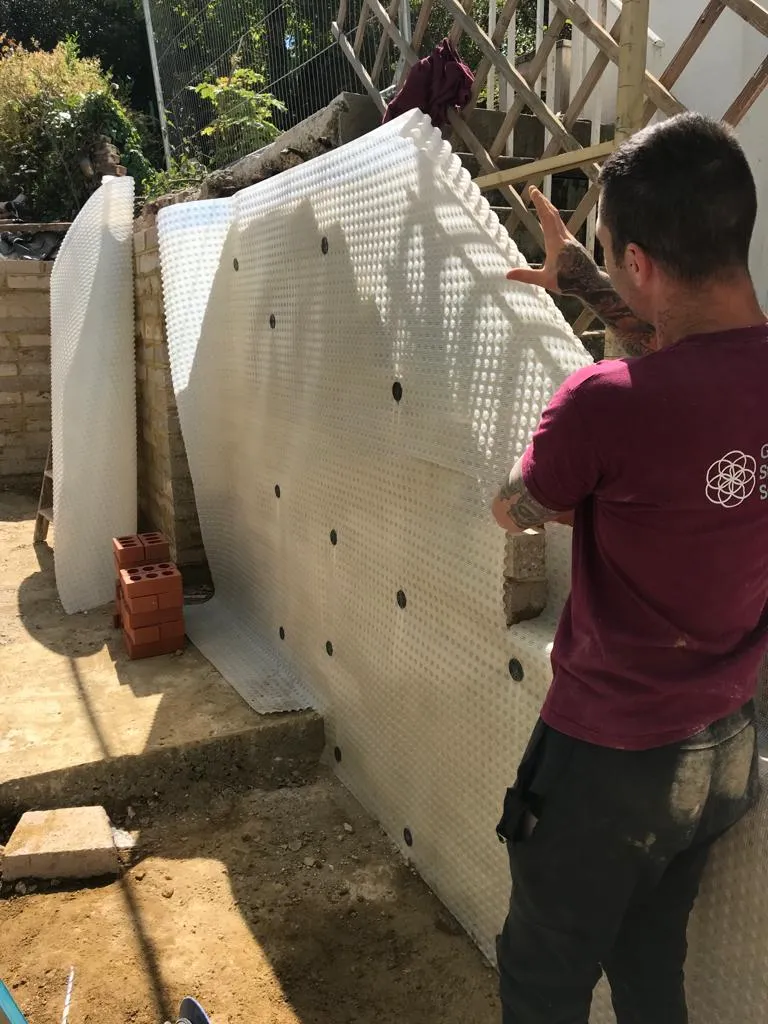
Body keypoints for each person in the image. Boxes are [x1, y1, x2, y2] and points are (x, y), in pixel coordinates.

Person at [490, 111, 768, 1024]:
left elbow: (523, 505)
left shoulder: (603, 406)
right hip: (727, 746)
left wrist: (537, 492)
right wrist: (583, 277)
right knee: (649, 961)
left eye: (614, 256)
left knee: (542, 977)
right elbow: (699, 366)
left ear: (641, 263)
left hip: (613, 757)